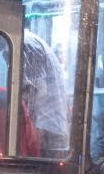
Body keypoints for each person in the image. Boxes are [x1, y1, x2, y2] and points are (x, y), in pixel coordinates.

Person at [20, 29, 71, 157]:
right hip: (48, 129)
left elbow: (39, 92)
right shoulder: (26, 42)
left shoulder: (26, 44)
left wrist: (28, 130)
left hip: (45, 131)